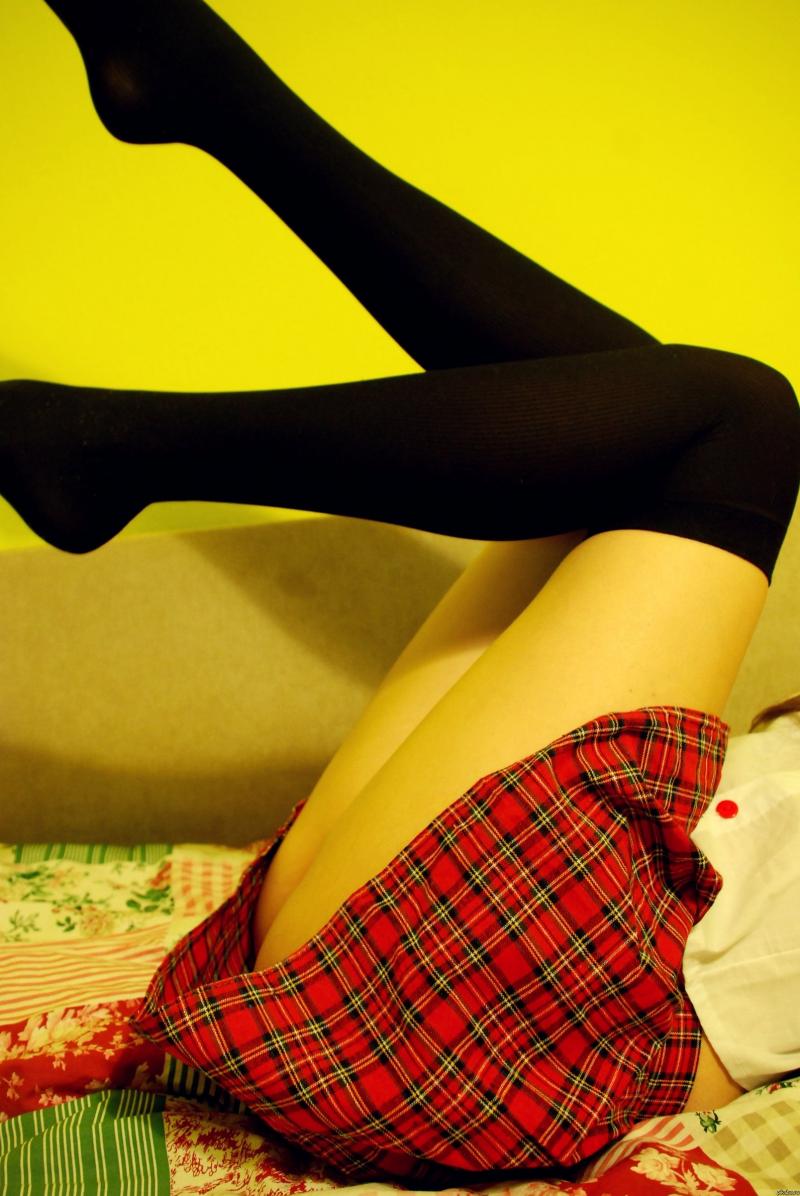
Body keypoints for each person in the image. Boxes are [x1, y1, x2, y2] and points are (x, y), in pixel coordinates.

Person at [4, 0, 799, 1184]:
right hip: (375, 975)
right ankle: (196, 138)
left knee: (739, 423)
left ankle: (118, 417)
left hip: (497, 1041)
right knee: (634, 423)